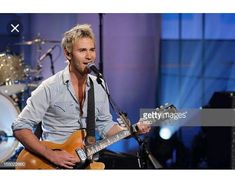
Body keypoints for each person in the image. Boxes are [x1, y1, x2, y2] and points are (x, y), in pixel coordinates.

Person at [12, 24, 150, 169]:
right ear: (68, 54)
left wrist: (133, 130)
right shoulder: (50, 87)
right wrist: (52, 155)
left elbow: (105, 126)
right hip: (51, 163)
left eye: (92, 50)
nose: (89, 56)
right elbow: (20, 127)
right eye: (82, 50)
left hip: (85, 161)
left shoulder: (98, 85)